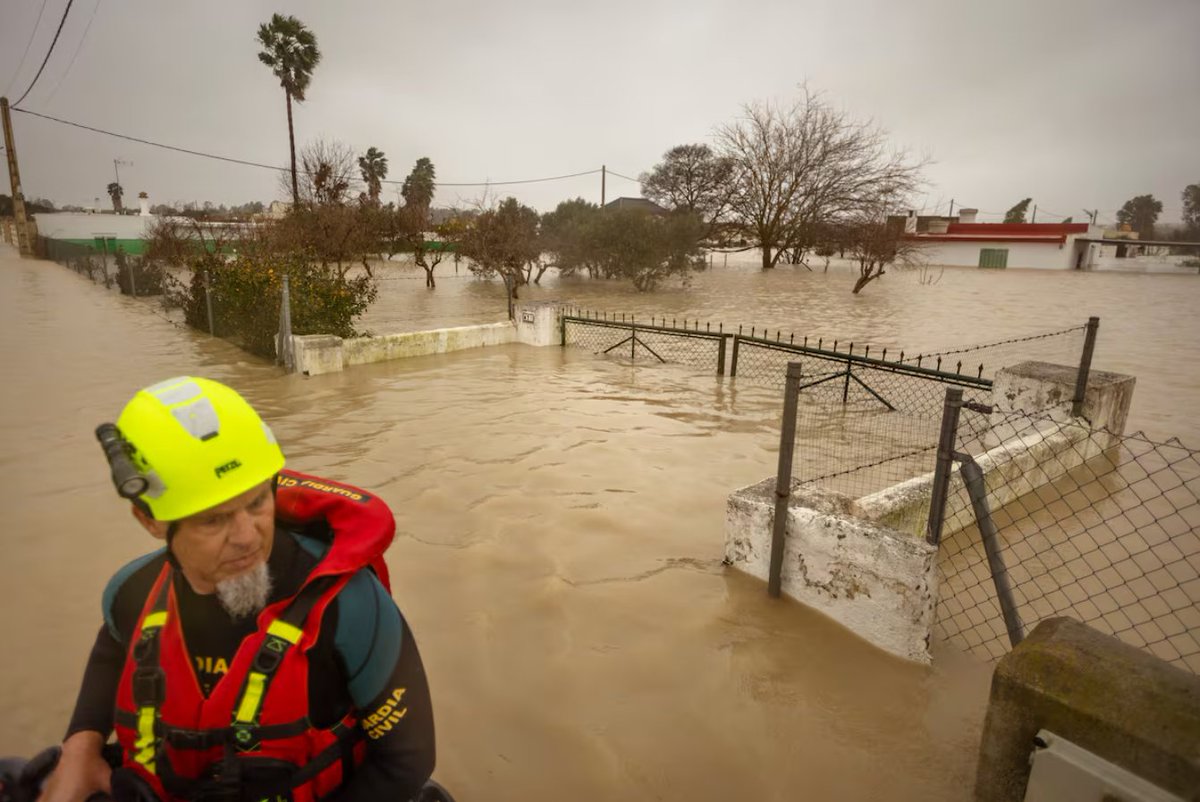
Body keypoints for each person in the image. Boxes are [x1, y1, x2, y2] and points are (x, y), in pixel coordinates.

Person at [38, 377, 435, 802]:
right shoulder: (130, 594)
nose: (248, 538)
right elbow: (111, 652)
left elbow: (406, 760)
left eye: (257, 503)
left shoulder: (349, 607)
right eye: (213, 520)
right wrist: (80, 746)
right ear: (149, 520)